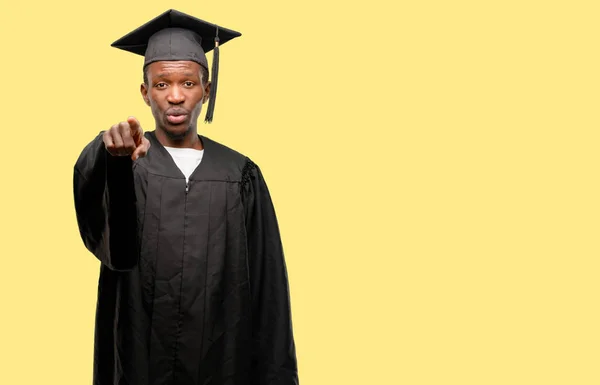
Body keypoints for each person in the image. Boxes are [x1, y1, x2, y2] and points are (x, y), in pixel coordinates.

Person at [72, 9, 299, 385]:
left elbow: (268, 287)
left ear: (206, 90)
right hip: (139, 363)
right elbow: (112, 244)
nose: (175, 96)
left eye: (188, 83)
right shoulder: (125, 161)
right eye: (161, 85)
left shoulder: (240, 175)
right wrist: (108, 156)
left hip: (224, 364)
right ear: (145, 93)